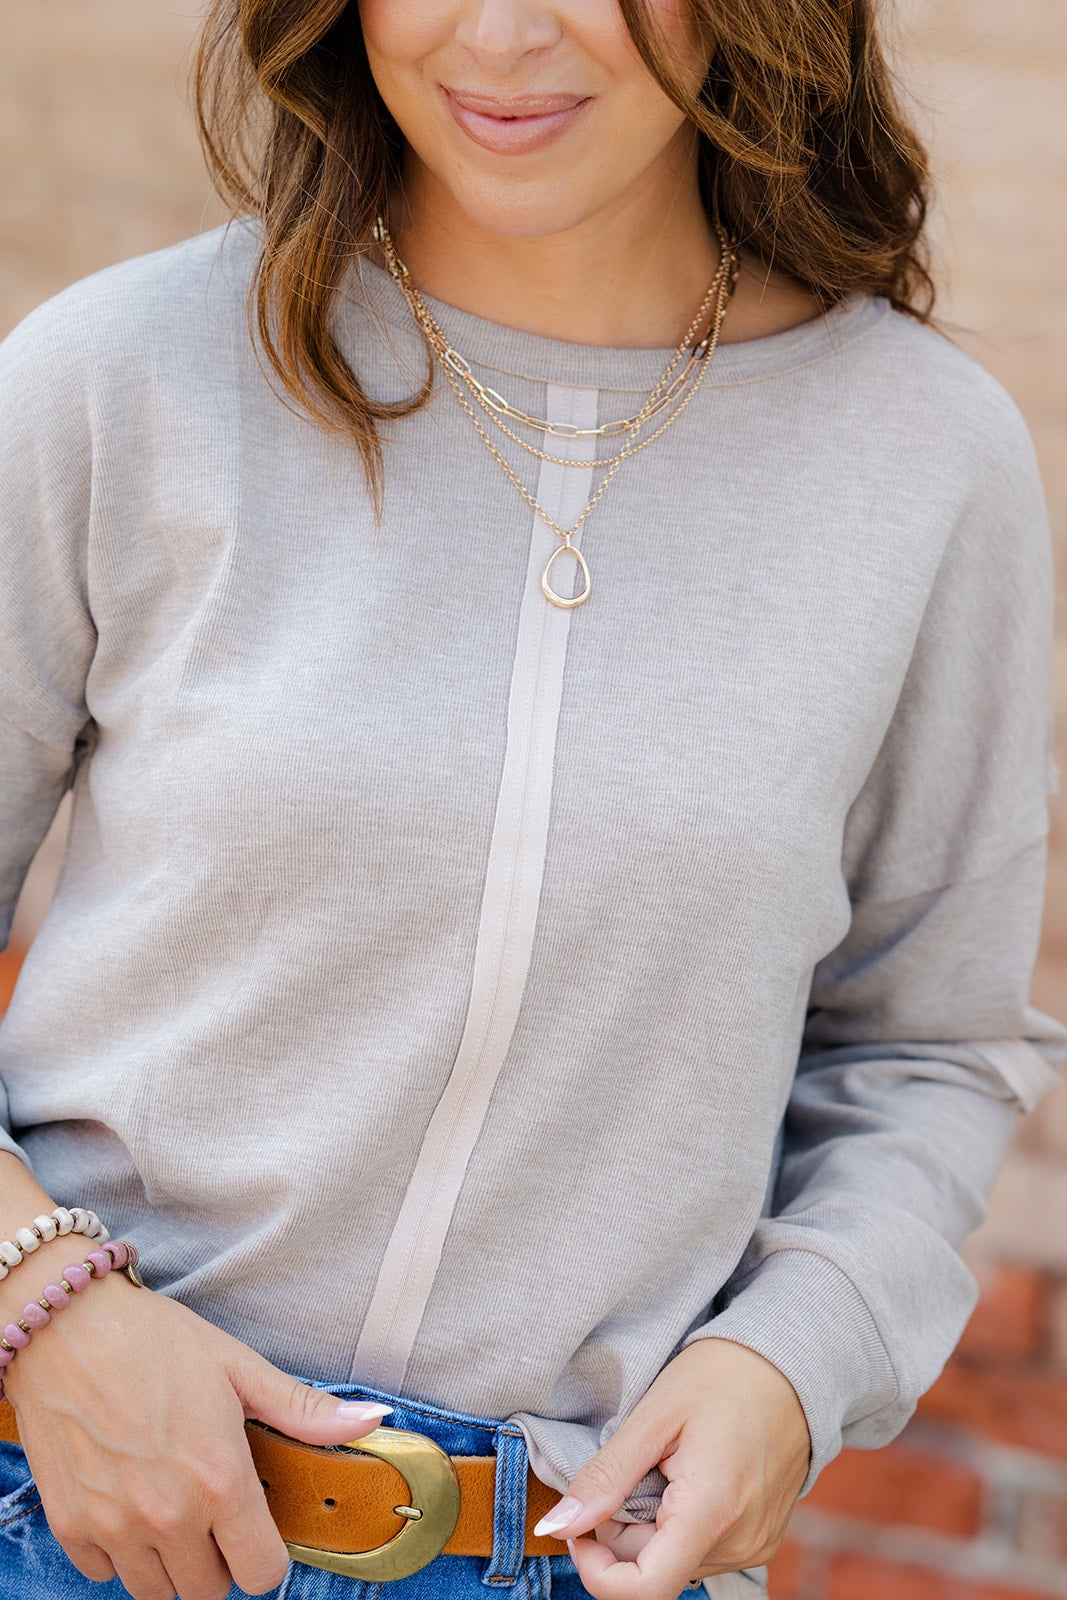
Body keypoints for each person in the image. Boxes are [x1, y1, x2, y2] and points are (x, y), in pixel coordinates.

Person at [0, 0, 1062, 1596]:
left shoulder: (925, 457)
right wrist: (43, 1311)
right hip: (72, 1518)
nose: (499, 36)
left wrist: (793, 1359)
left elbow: (931, 1041)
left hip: (587, 1555)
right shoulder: (124, 376)